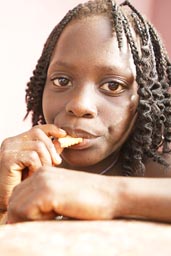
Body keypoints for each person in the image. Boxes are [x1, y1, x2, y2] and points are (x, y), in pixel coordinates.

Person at [0, 0, 171, 224]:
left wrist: (109, 194)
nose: (80, 105)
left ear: (147, 97)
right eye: (62, 80)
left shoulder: (160, 173)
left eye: (113, 86)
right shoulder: (19, 170)